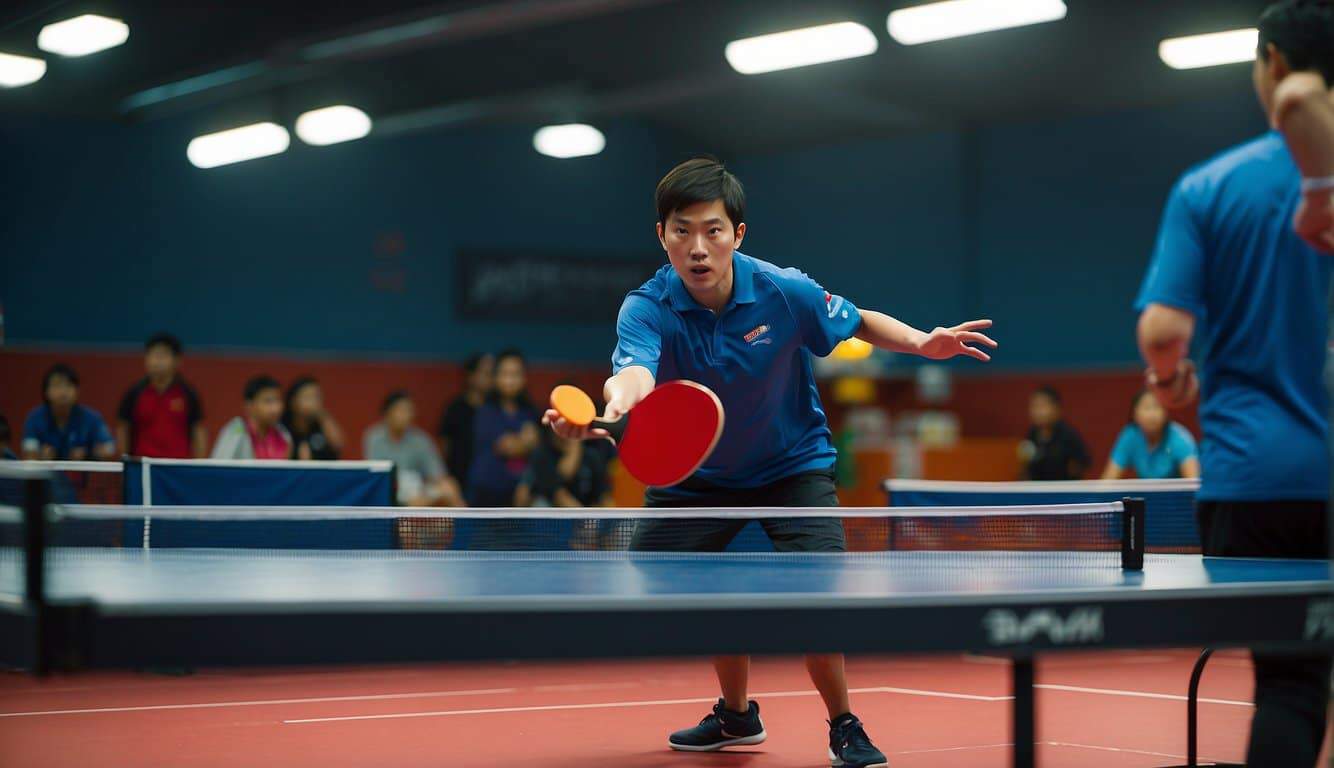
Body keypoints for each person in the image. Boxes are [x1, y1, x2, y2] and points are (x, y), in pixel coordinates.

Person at [546, 156, 996, 768]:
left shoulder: (784, 292)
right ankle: (736, 716)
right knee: (679, 583)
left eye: (712, 230)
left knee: (817, 598)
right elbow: (633, 375)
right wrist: (613, 409)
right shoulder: (646, 307)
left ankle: (843, 723)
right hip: (697, 479)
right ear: (662, 235)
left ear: (738, 234)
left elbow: (856, 320)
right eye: (682, 230)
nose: (697, 247)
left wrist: (921, 341)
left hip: (791, 468)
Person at [1135, 3, 1333, 764]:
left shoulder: (1211, 187)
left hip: (1258, 475)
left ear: (1274, 63)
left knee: (1288, 680)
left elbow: (1162, 335)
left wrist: (1175, 384)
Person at [364, 390, 463, 507]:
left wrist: (428, 493)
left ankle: (468, 524)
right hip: (388, 492)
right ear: (387, 414)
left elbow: (437, 474)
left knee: (450, 487)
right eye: (401, 410)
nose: (407, 415)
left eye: (409, 411)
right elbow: (376, 477)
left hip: (418, 492)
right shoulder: (374, 437)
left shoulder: (421, 440)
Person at [116, 333, 207, 458]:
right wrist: (125, 462)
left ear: (177, 360)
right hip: (143, 465)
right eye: (153, 355)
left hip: (177, 467)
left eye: (163, 356)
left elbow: (198, 431)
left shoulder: (188, 394)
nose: (157, 361)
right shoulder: (134, 393)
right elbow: (123, 428)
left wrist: (198, 466)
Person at [467, 349, 539, 507]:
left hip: (519, 495)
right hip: (487, 495)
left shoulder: (531, 413)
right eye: (505, 374)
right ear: (495, 378)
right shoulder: (485, 412)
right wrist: (525, 442)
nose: (510, 380)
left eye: (515, 374)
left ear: (524, 378)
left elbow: (536, 448)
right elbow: (507, 446)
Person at [21, 364, 116, 460]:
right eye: (57, 385)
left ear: (77, 390)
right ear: (46, 391)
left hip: (80, 474)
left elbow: (110, 449)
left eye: (69, 385)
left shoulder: (92, 418)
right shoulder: (34, 418)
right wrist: (40, 456)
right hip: (45, 474)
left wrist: (88, 454)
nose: (63, 392)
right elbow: (28, 454)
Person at [1100, 390, 1199, 480]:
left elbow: (1194, 482)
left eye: (1157, 407)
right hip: (1146, 497)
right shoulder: (1130, 435)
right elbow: (1108, 481)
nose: (1152, 415)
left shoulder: (1180, 439)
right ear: (1135, 414)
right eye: (1146, 408)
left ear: (1166, 412)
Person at [438, 352, 494, 497]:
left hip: (489, 482)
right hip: (460, 481)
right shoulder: (455, 409)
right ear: (471, 376)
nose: (490, 378)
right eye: (486, 373)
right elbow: (445, 446)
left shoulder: (496, 409)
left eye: (492, 373)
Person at [211, 375, 292, 460]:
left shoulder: (283, 434)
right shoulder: (237, 429)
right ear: (249, 405)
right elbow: (219, 467)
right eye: (268, 401)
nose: (276, 408)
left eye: (278, 400)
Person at [1018, 386, 1090, 480]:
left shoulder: (1068, 435)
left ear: (1056, 409)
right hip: (1038, 490)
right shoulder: (1031, 435)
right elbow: (1026, 468)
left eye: (1042, 406)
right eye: (1034, 406)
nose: (1038, 412)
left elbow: (1083, 462)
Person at [282, 376, 344, 460]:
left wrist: (323, 416)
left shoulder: (322, 422)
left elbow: (339, 445)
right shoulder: (283, 427)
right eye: (307, 397)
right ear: (293, 401)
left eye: (317, 397)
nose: (313, 402)